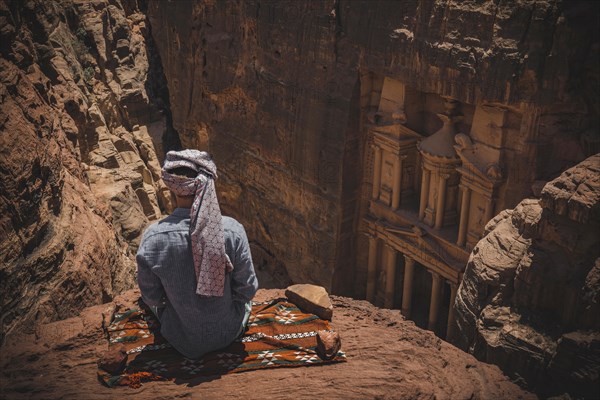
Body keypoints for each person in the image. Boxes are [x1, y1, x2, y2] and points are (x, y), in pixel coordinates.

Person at [136, 149, 258, 359]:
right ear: (208, 182)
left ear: (172, 186)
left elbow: (152, 298)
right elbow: (247, 290)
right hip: (227, 333)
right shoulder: (232, 230)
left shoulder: (152, 238)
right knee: (246, 304)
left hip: (179, 336)